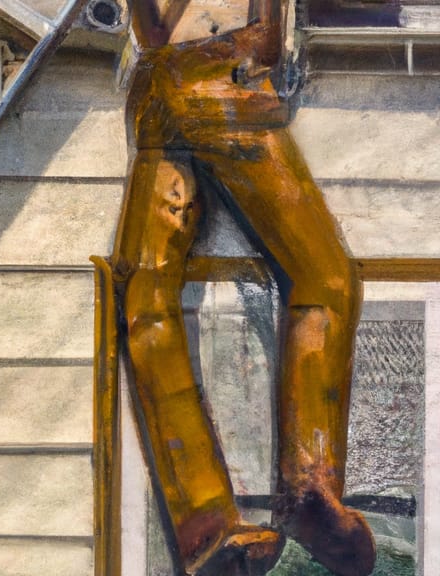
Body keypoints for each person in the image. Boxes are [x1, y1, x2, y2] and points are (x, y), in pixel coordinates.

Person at [112, 0, 376, 574]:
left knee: (149, 298)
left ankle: (204, 526)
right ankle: (309, 485)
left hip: (157, 92)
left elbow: (152, 23)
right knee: (324, 275)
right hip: (227, 85)